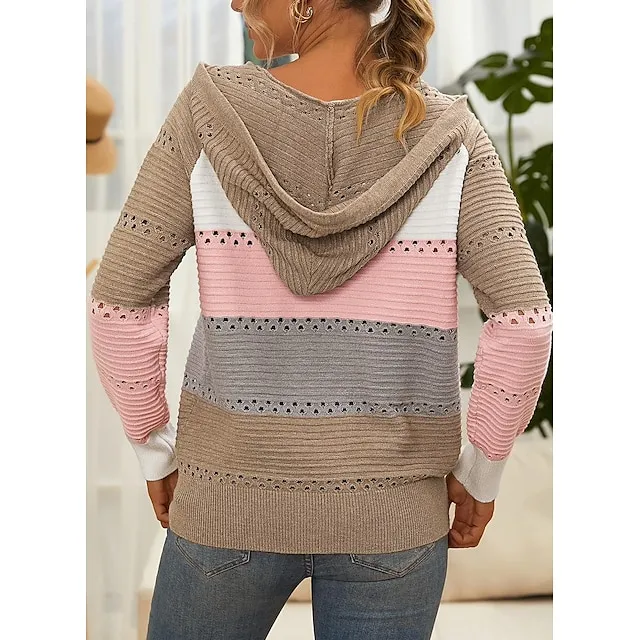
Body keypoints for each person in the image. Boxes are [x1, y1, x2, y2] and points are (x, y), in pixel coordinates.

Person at [88, 0, 553, 638]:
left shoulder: (209, 115)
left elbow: (119, 302)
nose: (236, 3)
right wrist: (482, 470)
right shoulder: (451, 135)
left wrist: (154, 448)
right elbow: (524, 321)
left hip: (226, 498)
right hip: (393, 515)